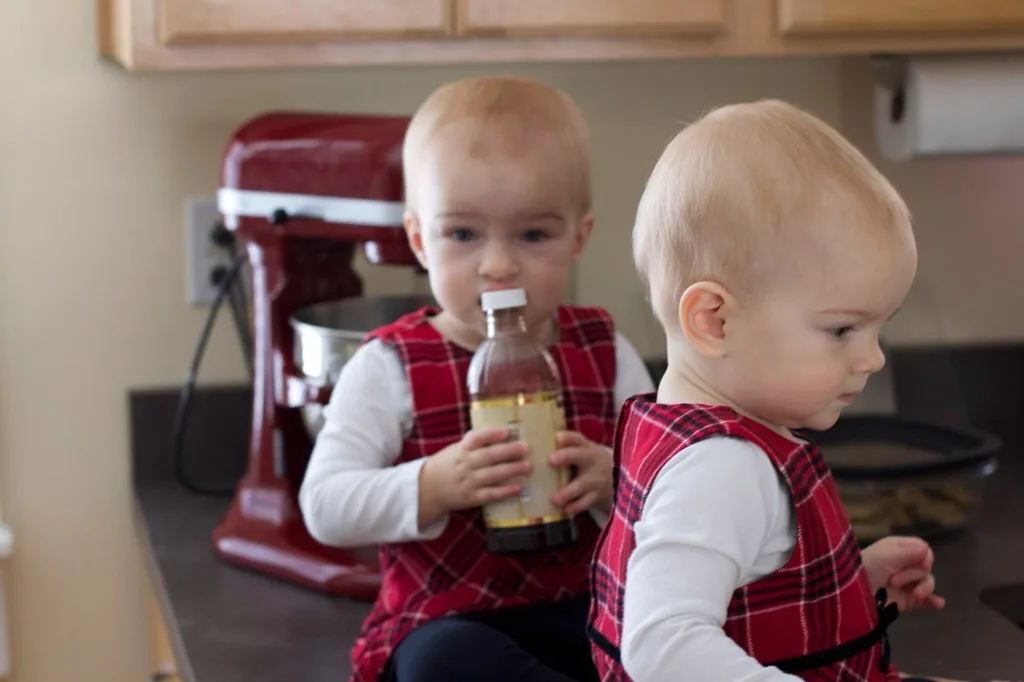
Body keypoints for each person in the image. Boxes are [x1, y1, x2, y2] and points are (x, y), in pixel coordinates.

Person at [299, 75, 655, 682]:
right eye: (463, 235)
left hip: (588, 608)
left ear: (578, 239)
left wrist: (615, 481)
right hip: (450, 622)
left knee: (664, 631)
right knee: (444, 662)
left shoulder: (606, 351)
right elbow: (325, 507)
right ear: (420, 240)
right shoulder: (388, 366)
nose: (498, 265)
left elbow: (674, 490)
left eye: (533, 235)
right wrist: (433, 484)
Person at [587, 99, 945, 682]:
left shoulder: (694, 436)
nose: (873, 357)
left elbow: (743, 602)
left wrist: (850, 585)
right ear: (715, 321)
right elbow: (662, 647)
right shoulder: (720, 468)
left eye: (877, 328)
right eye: (842, 330)